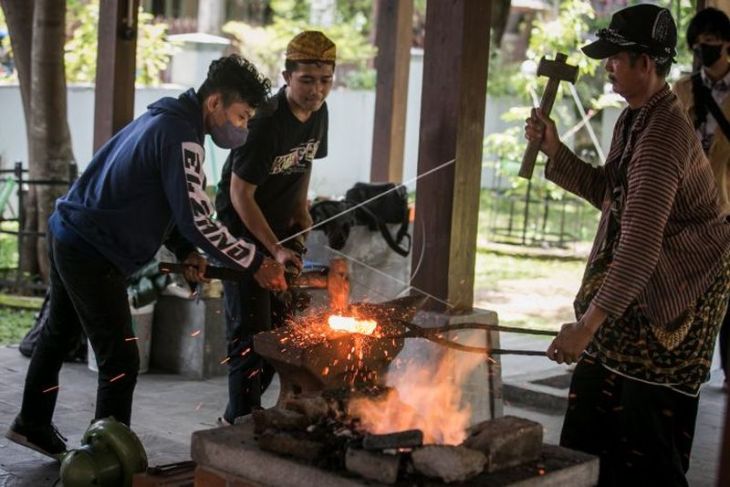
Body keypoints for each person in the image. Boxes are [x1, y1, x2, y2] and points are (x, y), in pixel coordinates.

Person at [5, 54, 287, 460]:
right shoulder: (181, 137)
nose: (241, 128)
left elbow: (171, 207)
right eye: (241, 116)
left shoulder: (168, 120)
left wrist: (186, 251)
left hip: (70, 231)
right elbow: (197, 219)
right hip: (90, 248)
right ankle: (105, 456)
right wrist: (256, 262)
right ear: (214, 104)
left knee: (58, 334)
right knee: (120, 359)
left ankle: (32, 424)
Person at [524, 4, 730, 486]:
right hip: (646, 281)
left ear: (645, 62)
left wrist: (586, 326)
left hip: (677, 294)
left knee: (645, 436)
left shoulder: (662, 135)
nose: (607, 67)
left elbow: (638, 246)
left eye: (615, 58)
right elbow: (608, 193)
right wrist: (556, 150)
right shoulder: (633, 118)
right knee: (592, 410)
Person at [214, 31, 335, 425]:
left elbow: (305, 163)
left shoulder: (320, 113)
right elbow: (239, 195)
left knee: (283, 336)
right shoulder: (264, 123)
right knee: (251, 338)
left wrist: (301, 213)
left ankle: (255, 416)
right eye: (307, 80)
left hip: (279, 234)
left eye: (325, 80)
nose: (317, 90)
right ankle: (239, 422)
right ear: (287, 75)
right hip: (241, 234)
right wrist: (273, 249)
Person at [673, 7, 730, 390]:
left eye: (709, 44)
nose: (702, 51)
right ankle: (684, 360)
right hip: (689, 205)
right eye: (696, 46)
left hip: (727, 203)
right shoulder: (683, 89)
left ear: (727, 45)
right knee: (686, 287)